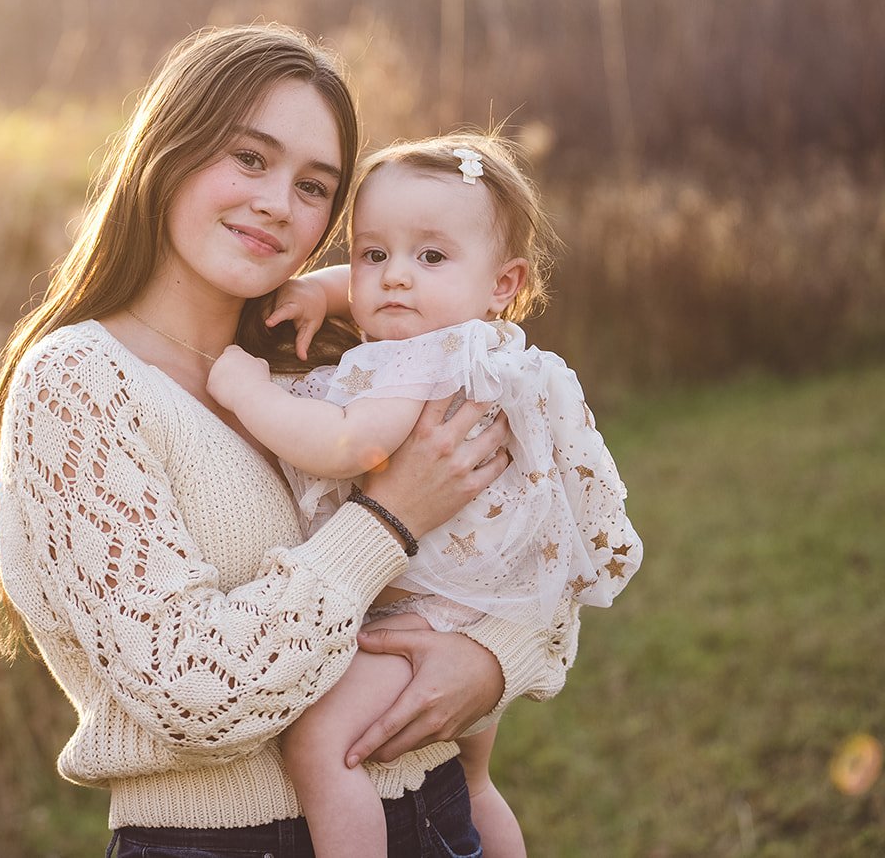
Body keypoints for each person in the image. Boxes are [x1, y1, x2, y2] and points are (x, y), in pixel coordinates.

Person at [0, 25, 582, 858]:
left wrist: (490, 665)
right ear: (168, 151)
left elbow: (538, 535)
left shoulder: (341, 367)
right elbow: (191, 692)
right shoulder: (79, 383)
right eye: (250, 159)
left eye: (313, 186)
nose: (277, 204)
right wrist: (388, 519)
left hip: (440, 821)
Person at [206, 133, 643, 857]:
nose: (394, 279)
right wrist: (323, 286)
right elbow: (405, 273)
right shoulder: (484, 345)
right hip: (485, 607)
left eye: (430, 256)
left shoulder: (419, 360)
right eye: (373, 254)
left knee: (319, 744)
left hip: (425, 607)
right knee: (473, 783)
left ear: (503, 283)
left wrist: (248, 392)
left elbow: (347, 444)